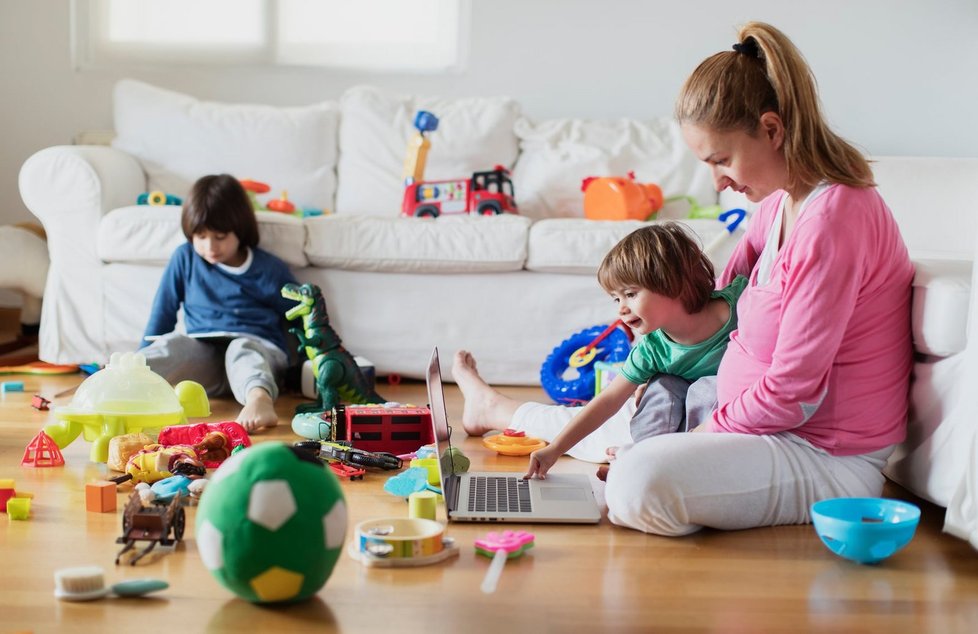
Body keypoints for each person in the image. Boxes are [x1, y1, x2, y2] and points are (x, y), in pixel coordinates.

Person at [454, 21, 913, 536]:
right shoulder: (781, 204)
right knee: (632, 417)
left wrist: (697, 434)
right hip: (747, 419)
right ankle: (495, 408)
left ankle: (655, 465)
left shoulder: (834, 220)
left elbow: (794, 393)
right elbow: (716, 296)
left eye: (722, 160)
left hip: (820, 451)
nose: (719, 181)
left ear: (772, 129)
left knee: (634, 479)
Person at [524, 223, 746, 480]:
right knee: (662, 386)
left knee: (707, 387)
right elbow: (608, 400)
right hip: (679, 422)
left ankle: (653, 460)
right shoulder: (652, 349)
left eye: (630, 294)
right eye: (616, 298)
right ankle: (643, 457)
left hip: (718, 421)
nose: (621, 308)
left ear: (672, 283)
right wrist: (554, 449)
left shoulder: (741, 307)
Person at [140, 173, 298, 432]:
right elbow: (162, 314)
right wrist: (140, 357)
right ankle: (122, 381)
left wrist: (303, 368)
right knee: (173, 344)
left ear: (240, 229)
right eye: (200, 237)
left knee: (241, 348)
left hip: (258, 357)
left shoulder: (269, 269)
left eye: (220, 237)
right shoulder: (185, 258)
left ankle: (259, 400)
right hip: (207, 357)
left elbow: (300, 318)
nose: (209, 246)